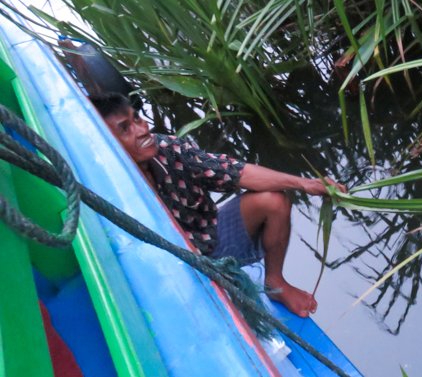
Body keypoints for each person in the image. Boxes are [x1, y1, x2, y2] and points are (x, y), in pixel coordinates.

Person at [89, 92, 346, 318]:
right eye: (125, 128)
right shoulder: (109, 189)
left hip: (208, 240)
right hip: (171, 272)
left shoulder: (169, 149)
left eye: (137, 118)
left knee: (274, 200)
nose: (142, 129)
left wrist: (305, 184)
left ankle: (275, 282)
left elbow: (235, 171)